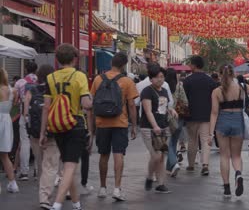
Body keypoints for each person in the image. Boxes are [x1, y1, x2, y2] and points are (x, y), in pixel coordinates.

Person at [40, 43, 93, 210]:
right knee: (70, 166)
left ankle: (76, 203)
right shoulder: (79, 76)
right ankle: (57, 204)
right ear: (74, 59)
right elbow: (85, 104)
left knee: (67, 164)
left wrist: (43, 132)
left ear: (58, 59)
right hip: (75, 123)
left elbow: (46, 107)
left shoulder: (51, 78)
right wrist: (92, 102)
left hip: (56, 125)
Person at [209, 64, 249, 197]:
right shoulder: (241, 87)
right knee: (236, 155)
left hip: (222, 122)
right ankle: (238, 174)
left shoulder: (216, 91)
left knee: (224, 156)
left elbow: (214, 113)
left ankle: (227, 188)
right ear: (233, 74)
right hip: (238, 121)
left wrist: (210, 133)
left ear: (220, 75)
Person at [90, 52, 138, 202]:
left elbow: (92, 104)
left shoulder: (98, 79)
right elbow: (131, 105)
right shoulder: (127, 81)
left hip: (102, 123)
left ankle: (102, 188)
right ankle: (117, 188)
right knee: (118, 154)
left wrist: (91, 129)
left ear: (111, 63)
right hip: (120, 123)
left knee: (103, 155)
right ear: (123, 65)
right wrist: (134, 126)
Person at [22, 64, 58, 208]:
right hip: (51, 131)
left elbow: (25, 112)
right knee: (50, 164)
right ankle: (47, 195)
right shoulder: (55, 89)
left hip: (35, 132)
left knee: (40, 163)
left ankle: (42, 194)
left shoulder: (31, 89)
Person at [140, 65, 177, 194]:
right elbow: (148, 111)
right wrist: (155, 126)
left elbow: (163, 107)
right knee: (156, 155)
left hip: (164, 126)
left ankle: (161, 184)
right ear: (151, 79)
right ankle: (150, 176)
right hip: (149, 128)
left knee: (161, 156)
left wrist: (171, 110)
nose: (159, 79)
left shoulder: (164, 91)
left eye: (161, 77)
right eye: (156, 77)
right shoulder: (147, 91)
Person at [183, 56, 217, 176]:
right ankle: (205, 165)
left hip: (191, 115)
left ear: (193, 65)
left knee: (192, 140)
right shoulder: (210, 81)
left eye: (190, 64)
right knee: (205, 140)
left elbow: (184, 99)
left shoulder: (187, 81)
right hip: (206, 115)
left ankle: (191, 165)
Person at [14, 61, 38, 181]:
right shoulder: (41, 81)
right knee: (38, 142)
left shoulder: (20, 82)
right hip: (38, 115)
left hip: (25, 114)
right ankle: (37, 171)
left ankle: (24, 172)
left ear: (25, 69)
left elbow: (16, 100)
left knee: (25, 142)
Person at [165, 68, 188, 177]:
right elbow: (185, 101)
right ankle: (170, 168)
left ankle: (174, 163)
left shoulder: (164, 86)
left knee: (167, 144)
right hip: (178, 117)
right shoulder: (179, 86)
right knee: (173, 143)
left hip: (166, 118)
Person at [0, 68, 19, 194]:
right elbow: (14, 106)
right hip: (6, 120)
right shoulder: (13, 90)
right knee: (5, 155)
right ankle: (13, 184)